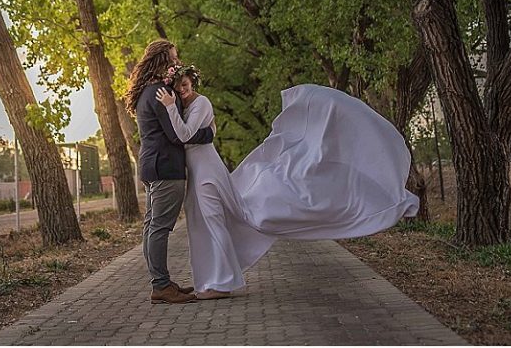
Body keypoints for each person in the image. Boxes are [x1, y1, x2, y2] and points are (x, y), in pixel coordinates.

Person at [156, 65, 420, 299]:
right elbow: (196, 133)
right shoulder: (186, 106)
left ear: (192, 82)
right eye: (178, 86)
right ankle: (210, 280)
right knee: (201, 222)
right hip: (198, 169)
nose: (182, 89)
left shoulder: (201, 102)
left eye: (185, 83)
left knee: (214, 220)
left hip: (207, 170)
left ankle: (223, 282)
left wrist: (169, 107)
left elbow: (185, 135)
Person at [123, 40, 216, 304]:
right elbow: (177, 135)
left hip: (151, 165)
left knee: (152, 226)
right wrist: (208, 133)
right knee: (160, 228)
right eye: (173, 58)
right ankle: (161, 286)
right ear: (161, 60)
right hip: (165, 167)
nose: (177, 63)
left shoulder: (147, 91)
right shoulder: (160, 93)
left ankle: (161, 282)